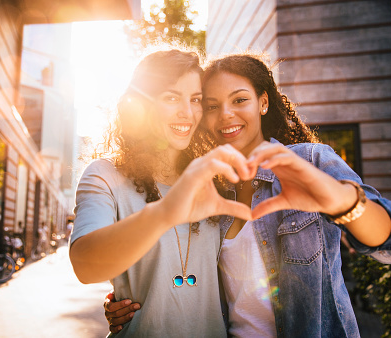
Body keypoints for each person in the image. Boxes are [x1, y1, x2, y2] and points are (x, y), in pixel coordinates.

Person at [104, 52, 391, 337]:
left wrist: (341, 201)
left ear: (263, 102)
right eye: (212, 105)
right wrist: (128, 304)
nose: (226, 114)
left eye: (239, 100)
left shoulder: (308, 161)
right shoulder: (210, 190)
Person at [69, 47, 254, 337]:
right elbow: (84, 266)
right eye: (171, 97)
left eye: (195, 99)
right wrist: (165, 212)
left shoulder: (217, 179)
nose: (188, 112)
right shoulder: (104, 175)